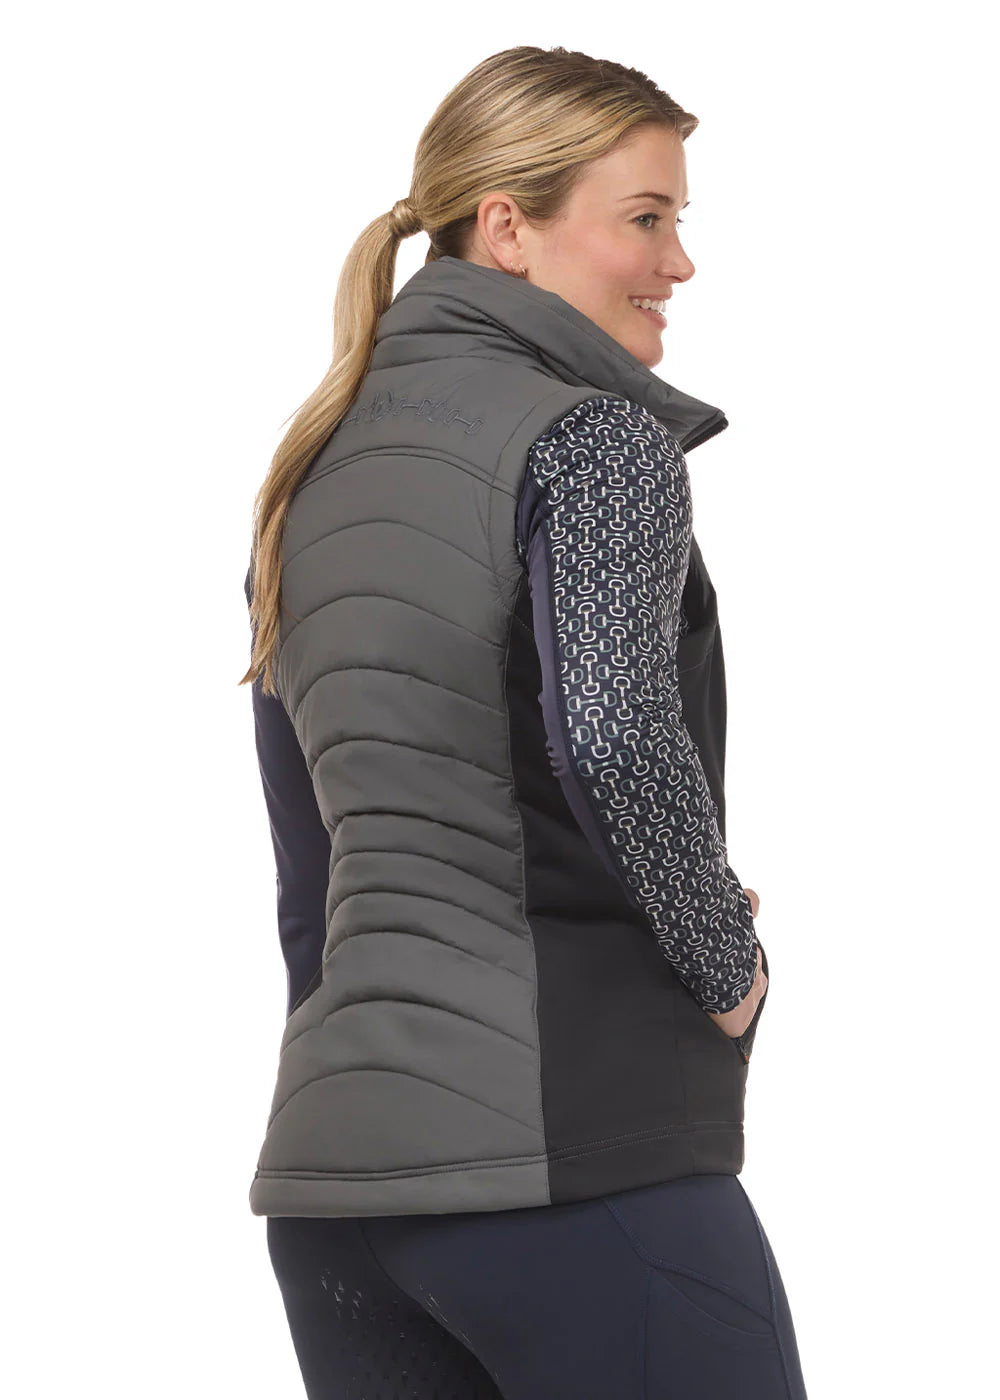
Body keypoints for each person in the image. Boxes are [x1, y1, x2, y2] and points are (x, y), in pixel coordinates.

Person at [239, 43, 808, 1400]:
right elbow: (610, 731)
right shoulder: (592, 441)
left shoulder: (313, 473)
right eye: (646, 219)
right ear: (507, 226)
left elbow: (309, 869)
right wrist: (727, 961)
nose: (679, 264)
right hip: (573, 1170)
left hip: (335, 1193)